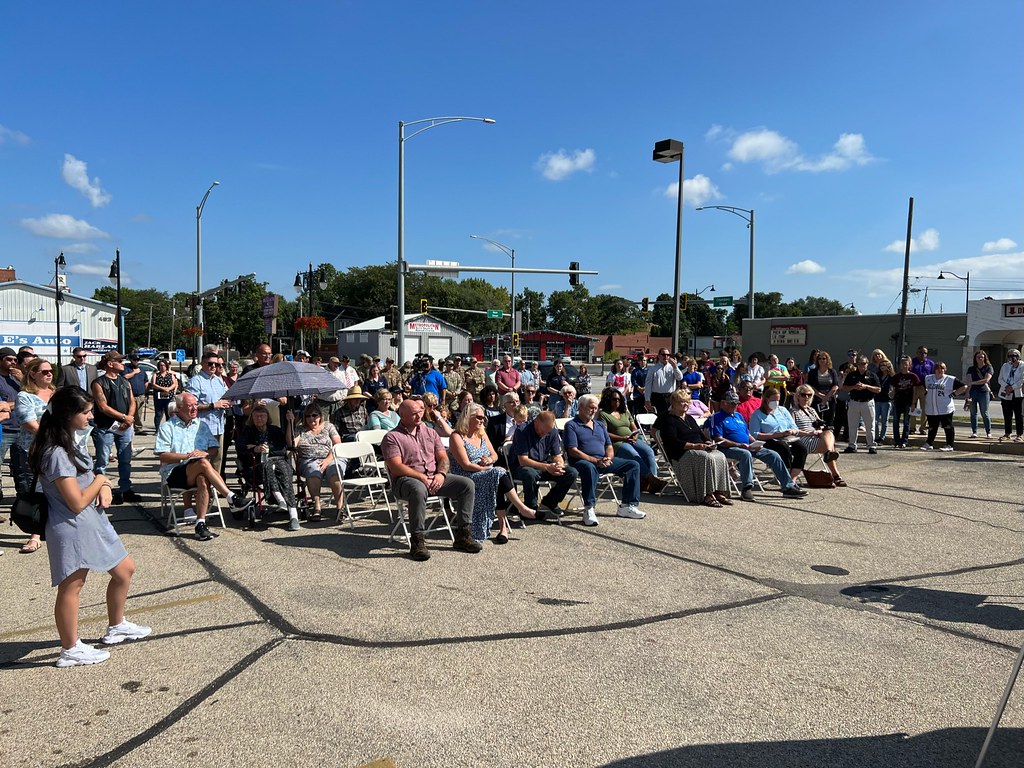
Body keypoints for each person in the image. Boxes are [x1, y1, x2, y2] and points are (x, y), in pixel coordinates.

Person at [31, 387, 151, 667]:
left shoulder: (67, 443)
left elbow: (87, 482)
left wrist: (102, 484)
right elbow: (75, 501)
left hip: (91, 522)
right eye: (85, 412)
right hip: (72, 525)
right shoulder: (57, 452)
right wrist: (101, 480)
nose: (91, 415)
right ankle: (70, 648)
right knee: (72, 586)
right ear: (67, 415)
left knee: (125, 569)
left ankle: (116, 625)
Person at [381, 398, 482, 561]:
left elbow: (443, 458)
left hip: (433, 477)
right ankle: (417, 541)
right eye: (414, 414)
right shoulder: (392, 437)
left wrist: (441, 474)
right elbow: (396, 466)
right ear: (402, 415)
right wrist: (421, 477)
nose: (419, 416)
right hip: (405, 480)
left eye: (420, 412)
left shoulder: (430, 432)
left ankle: (463, 535)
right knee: (418, 489)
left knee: (467, 484)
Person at [157, 393, 251, 539]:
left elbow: (214, 448)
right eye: (190, 406)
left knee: (202, 478)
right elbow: (162, 455)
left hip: (197, 470)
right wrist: (187, 456)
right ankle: (231, 497)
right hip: (174, 472)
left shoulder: (201, 425)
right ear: (180, 408)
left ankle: (200, 524)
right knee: (202, 463)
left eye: (196, 405)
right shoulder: (168, 427)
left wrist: (204, 452)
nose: (195, 408)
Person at [449, 403, 538, 544]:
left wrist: (490, 459)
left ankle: (505, 527)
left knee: (496, 477)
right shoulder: (457, 437)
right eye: (478, 417)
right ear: (468, 417)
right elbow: (465, 465)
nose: (482, 421)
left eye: (483, 418)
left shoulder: (481, 434)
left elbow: (495, 455)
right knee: (497, 474)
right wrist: (487, 469)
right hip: (466, 476)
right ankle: (520, 509)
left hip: (486, 474)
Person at [708, 390, 808, 501]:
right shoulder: (717, 417)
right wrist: (739, 444)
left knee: (773, 454)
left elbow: (748, 434)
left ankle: (788, 486)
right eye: (732, 403)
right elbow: (718, 439)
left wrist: (754, 443)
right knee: (745, 454)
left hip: (746, 446)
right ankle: (747, 488)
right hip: (728, 448)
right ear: (723, 403)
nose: (735, 406)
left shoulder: (738, 416)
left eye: (736, 403)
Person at [565, 394, 649, 526]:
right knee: (589, 468)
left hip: (602, 460)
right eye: (590, 407)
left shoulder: (599, 425)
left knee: (633, 465)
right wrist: (595, 460)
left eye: (595, 408)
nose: (593, 411)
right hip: (582, 461)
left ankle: (627, 506)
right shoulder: (572, 425)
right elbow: (573, 451)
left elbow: (609, 446)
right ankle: (589, 509)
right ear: (580, 407)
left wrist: (608, 458)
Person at [654, 389, 731, 507]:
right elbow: (673, 442)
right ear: (674, 404)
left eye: (687, 401)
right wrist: (695, 446)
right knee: (705, 457)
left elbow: (700, 434)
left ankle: (719, 491)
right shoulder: (669, 420)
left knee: (720, 455)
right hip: (681, 453)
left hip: (699, 448)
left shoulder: (689, 418)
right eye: (682, 402)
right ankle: (707, 494)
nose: (686, 404)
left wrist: (708, 442)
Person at [13, 357, 57, 553]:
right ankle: (35, 535)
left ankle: (55, 528)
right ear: (32, 374)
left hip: (59, 450)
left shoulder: (56, 394)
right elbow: (28, 422)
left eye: (50, 371)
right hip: (34, 450)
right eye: (44, 371)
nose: (49, 374)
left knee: (59, 489)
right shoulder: (25, 396)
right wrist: (51, 437)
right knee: (36, 491)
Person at [239, 404, 300, 530]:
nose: (259, 419)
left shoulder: (275, 430)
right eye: (256, 416)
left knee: (285, 470)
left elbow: (283, 448)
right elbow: (240, 446)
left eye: (262, 416)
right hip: (257, 465)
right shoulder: (248, 431)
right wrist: (255, 448)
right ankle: (280, 499)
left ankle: (293, 516)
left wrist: (266, 448)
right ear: (252, 418)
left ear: (267, 417)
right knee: (268, 466)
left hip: (278, 460)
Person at [510, 410, 578, 521]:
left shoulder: (552, 432)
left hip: (543, 466)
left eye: (548, 431)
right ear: (536, 422)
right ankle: (530, 508)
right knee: (529, 473)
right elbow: (523, 460)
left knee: (571, 472)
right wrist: (547, 467)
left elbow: (557, 455)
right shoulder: (522, 431)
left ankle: (550, 501)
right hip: (522, 468)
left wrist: (558, 464)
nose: (545, 433)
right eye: (543, 430)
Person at [90, 352, 139, 505]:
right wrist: (123, 417)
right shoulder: (99, 383)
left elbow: (132, 401)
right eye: (119, 361)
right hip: (105, 427)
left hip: (125, 427)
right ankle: (100, 490)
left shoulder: (125, 381)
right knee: (102, 461)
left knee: (125, 459)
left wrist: (129, 419)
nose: (122, 363)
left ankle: (125, 488)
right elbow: (103, 406)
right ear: (110, 363)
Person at [597, 388, 667, 494]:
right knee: (632, 453)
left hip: (631, 439)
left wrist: (635, 435)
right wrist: (623, 438)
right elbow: (604, 433)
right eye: (614, 399)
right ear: (608, 400)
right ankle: (652, 480)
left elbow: (634, 427)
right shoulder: (603, 414)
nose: (617, 402)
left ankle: (652, 480)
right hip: (616, 443)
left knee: (648, 451)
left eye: (619, 399)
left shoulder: (624, 412)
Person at [290, 403, 343, 520]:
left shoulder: (329, 426)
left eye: (314, 415)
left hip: (331, 456)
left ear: (320, 416)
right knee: (313, 470)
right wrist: (291, 423)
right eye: (308, 416)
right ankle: (317, 506)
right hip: (308, 459)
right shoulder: (300, 429)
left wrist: (327, 460)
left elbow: (337, 444)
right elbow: (292, 444)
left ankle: (340, 507)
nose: (311, 418)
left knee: (335, 472)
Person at [749, 386, 808, 485]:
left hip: (787, 437)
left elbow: (794, 426)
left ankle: (792, 479)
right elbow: (755, 435)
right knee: (783, 448)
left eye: (778, 400)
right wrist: (773, 435)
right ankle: (786, 478)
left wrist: (791, 431)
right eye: (773, 400)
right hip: (769, 440)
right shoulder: (757, 415)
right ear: (766, 399)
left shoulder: (782, 410)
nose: (776, 402)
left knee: (802, 449)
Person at [790, 385, 845, 485]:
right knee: (829, 445)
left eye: (809, 395)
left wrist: (819, 430)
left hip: (816, 436)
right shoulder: (793, 411)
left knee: (828, 432)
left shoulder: (812, 410)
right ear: (798, 396)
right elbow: (793, 430)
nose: (806, 397)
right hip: (803, 438)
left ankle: (829, 454)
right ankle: (836, 475)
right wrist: (809, 433)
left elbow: (820, 424)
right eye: (803, 395)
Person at [920, 361, 968, 451]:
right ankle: (929, 443)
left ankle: (950, 444)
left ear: (945, 370)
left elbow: (964, 387)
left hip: (945, 408)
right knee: (932, 427)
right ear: (934, 370)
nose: (940, 370)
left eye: (942, 368)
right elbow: (921, 385)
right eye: (937, 368)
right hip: (931, 408)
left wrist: (954, 394)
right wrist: (925, 392)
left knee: (947, 426)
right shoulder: (928, 378)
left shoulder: (950, 379)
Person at [842, 355, 881, 454]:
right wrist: (854, 387)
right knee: (852, 425)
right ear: (857, 364)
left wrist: (866, 386)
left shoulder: (872, 375)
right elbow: (844, 387)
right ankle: (852, 445)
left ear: (867, 364)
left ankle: (871, 446)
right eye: (859, 363)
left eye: (864, 363)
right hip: (854, 402)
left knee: (870, 425)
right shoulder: (851, 375)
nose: (861, 366)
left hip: (867, 403)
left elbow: (878, 389)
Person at [888, 356, 921, 449]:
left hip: (908, 402)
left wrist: (914, 403)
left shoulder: (913, 377)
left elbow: (916, 390)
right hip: (898, 401)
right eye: (902, 364)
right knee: (895, 421)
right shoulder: (896, 377)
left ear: (909, 365)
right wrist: (891, 395)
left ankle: (904, 441)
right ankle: (897, 441)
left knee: (906, 422)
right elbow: (893, 390)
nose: (904, 366)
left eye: (906, 364)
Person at [964, 350, 993, 439]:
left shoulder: (988, 368)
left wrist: (973, 383)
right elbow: (968, 381)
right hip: (973, 392)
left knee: (984, 413)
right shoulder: (971, 369)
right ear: (975, 358)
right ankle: (974, 432)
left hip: (983, 392)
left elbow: (986, 380)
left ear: (985, 358)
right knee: (973, 413)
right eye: (978, 357)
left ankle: (988, 432)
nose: (980, 359)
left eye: (982, 357)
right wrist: (967, 393)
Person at [806, 351, 839, 429]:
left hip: (829, 400)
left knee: (829, 423)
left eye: (824, 358)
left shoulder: (832, 371)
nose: (822, 360)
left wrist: (826, 397)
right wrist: (821, 396)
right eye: (819, 358)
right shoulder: (813, 372)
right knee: (816, 422)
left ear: (827, 360)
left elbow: (835, 386)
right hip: (816, 400)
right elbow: (810, 386)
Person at [645, 348, 683, 416]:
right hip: (657, 397)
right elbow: (648, 385)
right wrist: (647, 399)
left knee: (671, 417)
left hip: (670, 396)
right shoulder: (653, 369)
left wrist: (675, 367)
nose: (666, 356)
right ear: (659, 356)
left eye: (668, 355)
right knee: (659, 418)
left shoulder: (672, 367)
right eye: (663, 354)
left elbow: (680, 377)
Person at [996, 349, 1023, 442]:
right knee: (1007, 414)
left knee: (1018, 414)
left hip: (1017, 393)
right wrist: (1006, 386)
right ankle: (1008, 433)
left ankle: (1019, 434)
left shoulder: (1022, 366)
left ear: (1018, 356)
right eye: (1010, 356)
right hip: (1005, 392)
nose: (1012, 358)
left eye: (1014, 355)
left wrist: (1012, 387)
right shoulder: (1005, 366)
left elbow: (1022, 379)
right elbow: (1000, 379)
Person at [910, 346, 935, 435]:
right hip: (914, 388)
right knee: (913, 408)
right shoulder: (912, 362)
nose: (923, 354)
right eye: (921, 352)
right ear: (917, 353)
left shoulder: (930, 363)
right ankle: (912, 428)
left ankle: (923, 428)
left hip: (925, 388)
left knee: (925, 409)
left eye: (925, 353)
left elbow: (933, 376)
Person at [122, 355, 149, 434]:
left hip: (140, 395)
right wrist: (134, 372)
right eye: (134, 359)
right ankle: (128, 427)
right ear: (130, 360)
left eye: (138, 359)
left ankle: (138, 429)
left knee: (138, 413)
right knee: (129, 412)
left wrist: (146, 391)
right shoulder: (126, 368)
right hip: (129, 395)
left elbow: (146, 381)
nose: (136, 361)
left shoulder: (142, 370)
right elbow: (124, 377)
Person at [151, 359, 177, 432]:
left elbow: (174, 384)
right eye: (161, 365)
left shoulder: (170, 375)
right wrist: (162, 388)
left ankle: (168, 429)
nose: (162, 367)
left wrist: (168, 389)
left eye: (164, 365)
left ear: (166, 366)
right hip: (159, 397)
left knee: (168, 413)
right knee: (158, 413)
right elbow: (153, 384)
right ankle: (157, 429)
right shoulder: (156, 375)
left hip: (169, 396)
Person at [873, 358, 895, 446]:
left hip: (886, 400)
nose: (882, 367)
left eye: (884, 365)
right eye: (881, 365)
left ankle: (882, 437)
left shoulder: (891, 377)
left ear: (888, 366)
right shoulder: (877, 375)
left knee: (884, 421)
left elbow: (892, 388)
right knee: (875, 420)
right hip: (877, 399)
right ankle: (876, 437)